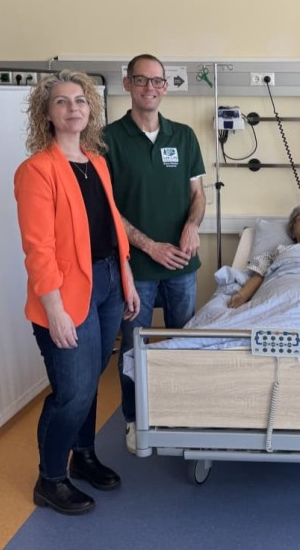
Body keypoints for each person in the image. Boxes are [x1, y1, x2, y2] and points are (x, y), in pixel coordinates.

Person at [14, 71, 140, 515]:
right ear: (46, 114)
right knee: (73, 392)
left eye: (80, 101)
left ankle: (82, 456)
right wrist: (55, 310)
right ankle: (50, 480)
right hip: (65, 296)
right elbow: (38, 248)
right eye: (62, 102)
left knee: (92, 380)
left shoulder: (96, 162)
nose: (73, 108)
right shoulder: (37, 170)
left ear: (91, 110)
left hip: (107, 283)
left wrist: (125, 278)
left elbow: (112, 227)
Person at [103, 54, 207, 454]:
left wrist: (192, 226)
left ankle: (181, 412)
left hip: (181, 263)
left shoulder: (183, 136)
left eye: (158, 81)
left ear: (166, 86)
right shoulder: (108, 140)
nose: (151, 88)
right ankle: (135, 419)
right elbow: (108, 208)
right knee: (134, 347)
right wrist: (149, 246)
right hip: (136, 268)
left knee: (183, 342)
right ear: (127, 84)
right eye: (142, 80)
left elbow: (198, 195)